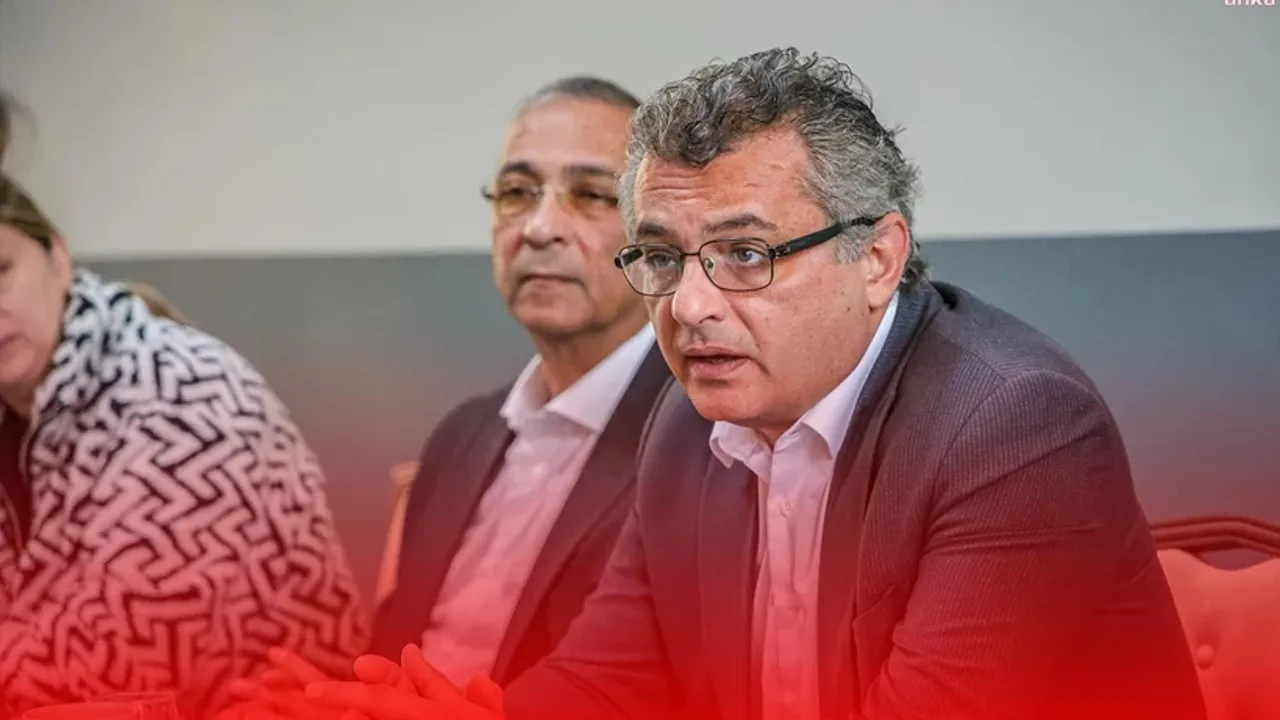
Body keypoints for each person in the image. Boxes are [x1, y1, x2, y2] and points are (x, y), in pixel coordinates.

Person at [305, 49, 1209, 720]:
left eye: (745, 253)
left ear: (877, 258)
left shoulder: (1015, 426)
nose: (688, 306)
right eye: (663, 256)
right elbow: (607, 680)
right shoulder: (686, 423)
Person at [229, 77, 671, 718]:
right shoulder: (462, 437)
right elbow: (399, 658)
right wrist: (340, 700)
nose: (540, 228)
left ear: (655, 237)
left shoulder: (698, 441)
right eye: (517, 193)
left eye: (591, 195)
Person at [0, 95, 367, 719]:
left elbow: (109, 679)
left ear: (58, 258)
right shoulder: (23, 411)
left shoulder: (185, 399)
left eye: (0, 270)